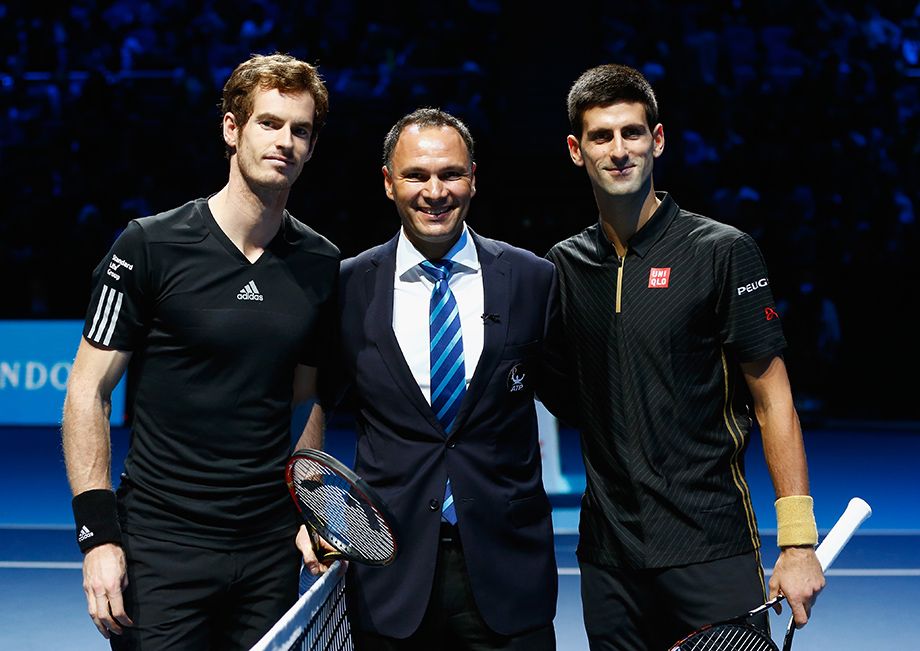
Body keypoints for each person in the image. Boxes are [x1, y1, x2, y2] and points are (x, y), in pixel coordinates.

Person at [61, 52, 339, 650]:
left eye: (301, 130)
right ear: (232, 129)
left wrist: (309, 508)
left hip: (268, 552)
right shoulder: (148, 245)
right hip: (162, 546)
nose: (285, 141)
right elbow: (87, 390)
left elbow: (308, 396)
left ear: (312, 146)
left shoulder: (321, 264)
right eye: (269, 123)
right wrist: (98, 537)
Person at [545, 63, 826, 650]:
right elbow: (567, 392)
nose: (618, 150)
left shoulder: (723, 252)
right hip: (610, 559)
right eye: (601, 136)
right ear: (577, 150)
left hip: (711, 546)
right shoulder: (563, 267)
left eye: (632, 133)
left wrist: (798, 542)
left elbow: (774, 401)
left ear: (658, 140)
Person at [298, 108, 567, 650]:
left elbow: (579, 402)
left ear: (473, 178)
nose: (435, 191)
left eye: (451, 174)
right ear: (388, 183)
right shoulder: (350, 287)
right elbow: (313, 401)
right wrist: (315, 509)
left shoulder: (533, 279)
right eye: (417, 175)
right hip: (389, 575)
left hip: (509, 574)